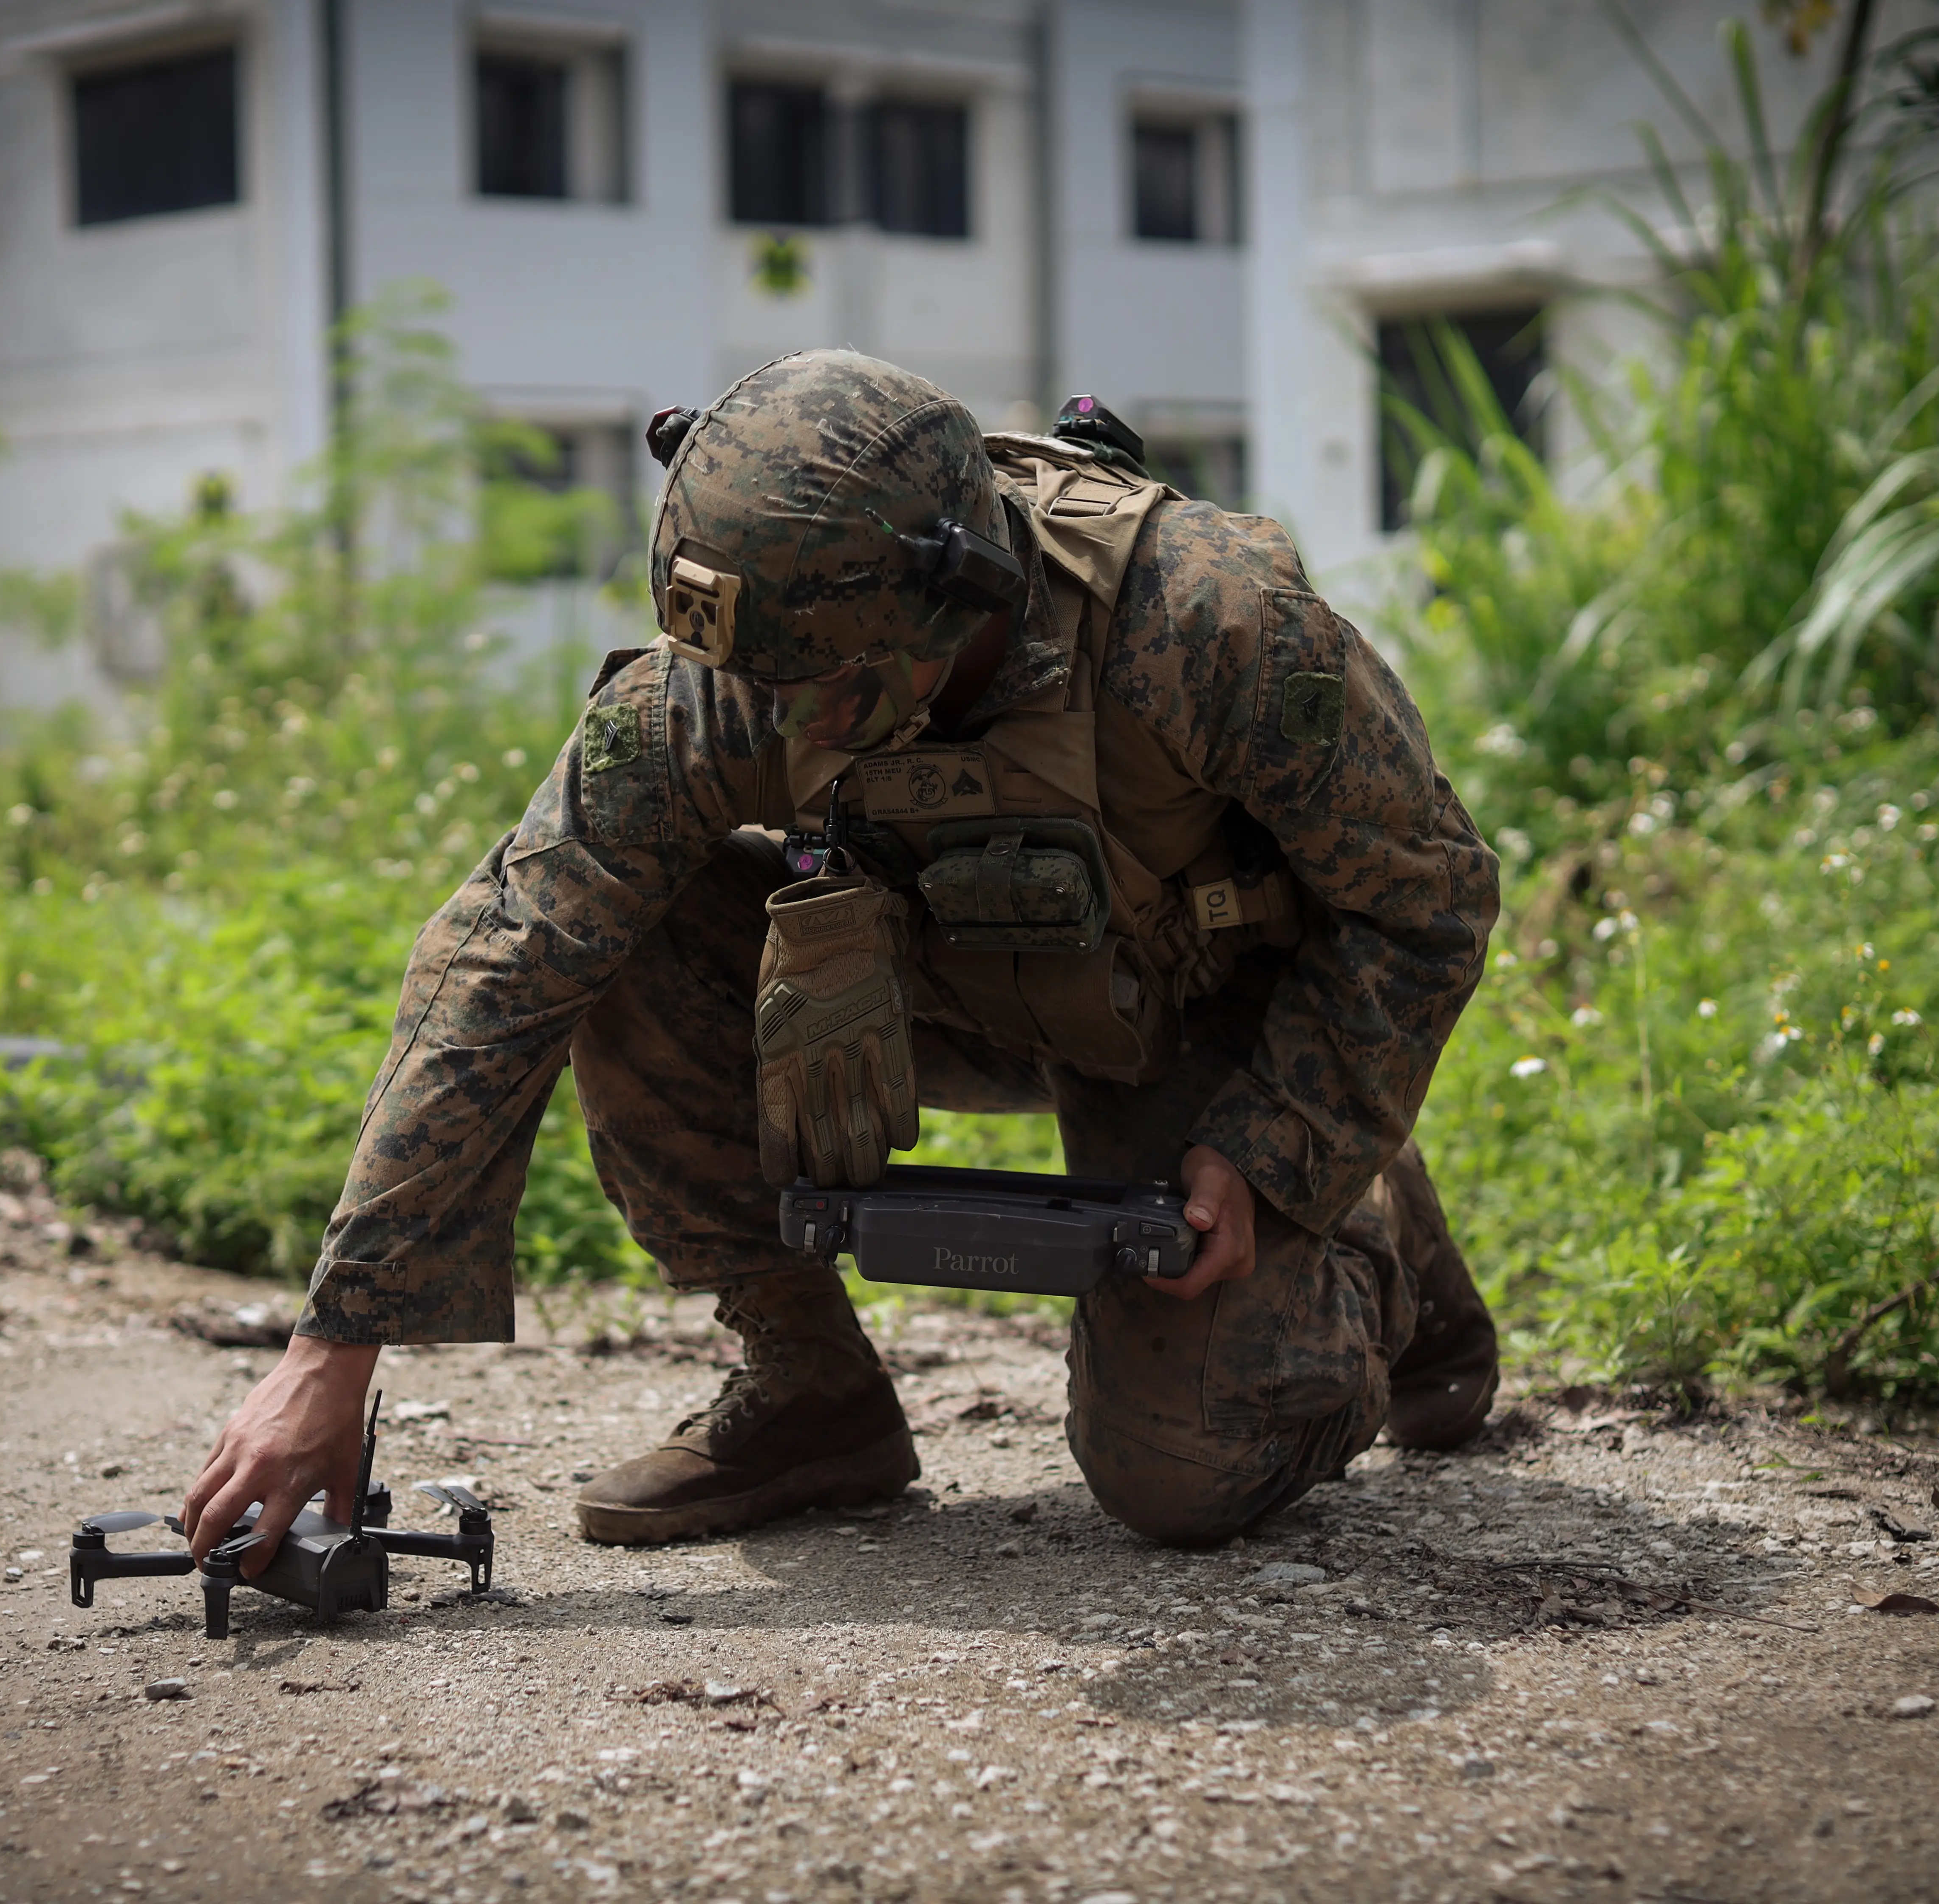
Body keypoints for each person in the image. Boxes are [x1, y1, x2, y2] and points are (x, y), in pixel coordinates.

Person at [182, 351, 1502, 1567]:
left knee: (1184, 1475)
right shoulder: (748, 666)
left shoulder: (1208, 624)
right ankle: (809, 1389)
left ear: (958, 597)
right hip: (928, 991)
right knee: (622, 927)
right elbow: (510, 948)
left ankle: (1374, 1228)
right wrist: (335, 1343)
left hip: (1198, 1016)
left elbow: (1428, 898)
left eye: (811, 689)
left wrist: (1279, 1148)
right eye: (743, 674)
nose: (764, 715)